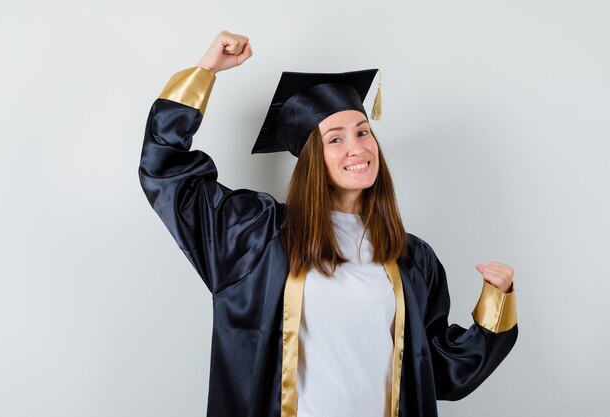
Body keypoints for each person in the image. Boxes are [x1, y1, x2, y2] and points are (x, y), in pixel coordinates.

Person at [139, 31, 518, 417]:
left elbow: (438, 372)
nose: (357, 148)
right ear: (310, 159)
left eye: (363, 131)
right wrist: (204, 72)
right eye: (334, 139)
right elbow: (167, 174)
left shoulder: (410, 257)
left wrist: (495, 305)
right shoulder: (256, 234)